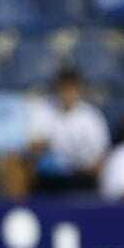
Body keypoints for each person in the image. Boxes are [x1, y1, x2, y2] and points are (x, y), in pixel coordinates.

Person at [23, 67, 111, 195]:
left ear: (80, 90)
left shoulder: (92, 116)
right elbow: (32, 145)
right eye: (64, 88)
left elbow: (101, 154)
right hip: (48, 175)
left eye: (72, 89)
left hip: (82, 174)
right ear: (56, 89)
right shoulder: (42, 110)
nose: (68, 93)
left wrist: (85, 166)